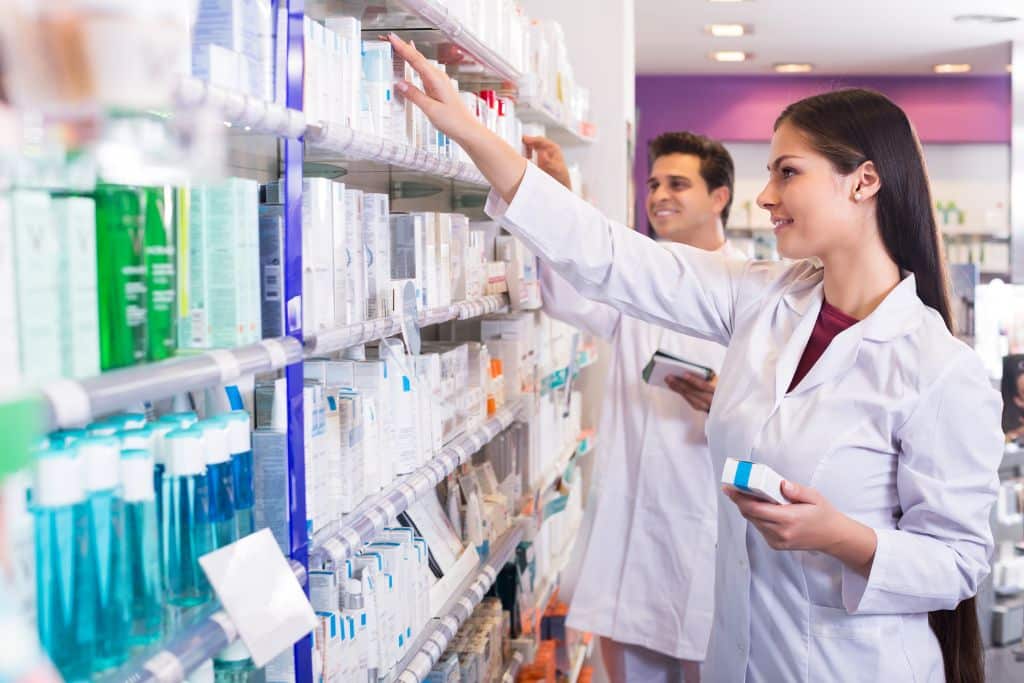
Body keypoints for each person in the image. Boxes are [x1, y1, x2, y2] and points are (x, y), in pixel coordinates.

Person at [387, 34, 1003, 683]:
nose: (765, 195)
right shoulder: (764, 296)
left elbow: (959, 560)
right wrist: (477, 136)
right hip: (738, 655)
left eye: (787, 172)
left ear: (864, 181)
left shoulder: (938, 366)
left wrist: (837, 534)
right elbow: (613, 257)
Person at [523, 131, 744, 683]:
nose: (659, 195)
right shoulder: (641, 277)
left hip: (707, 529)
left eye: (677, 184)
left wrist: (735, 404)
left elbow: (793, 420)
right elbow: (569, 293)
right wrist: (559, 192)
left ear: (720, 196)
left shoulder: (754, 293)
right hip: (632, 530)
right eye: (653, 184)